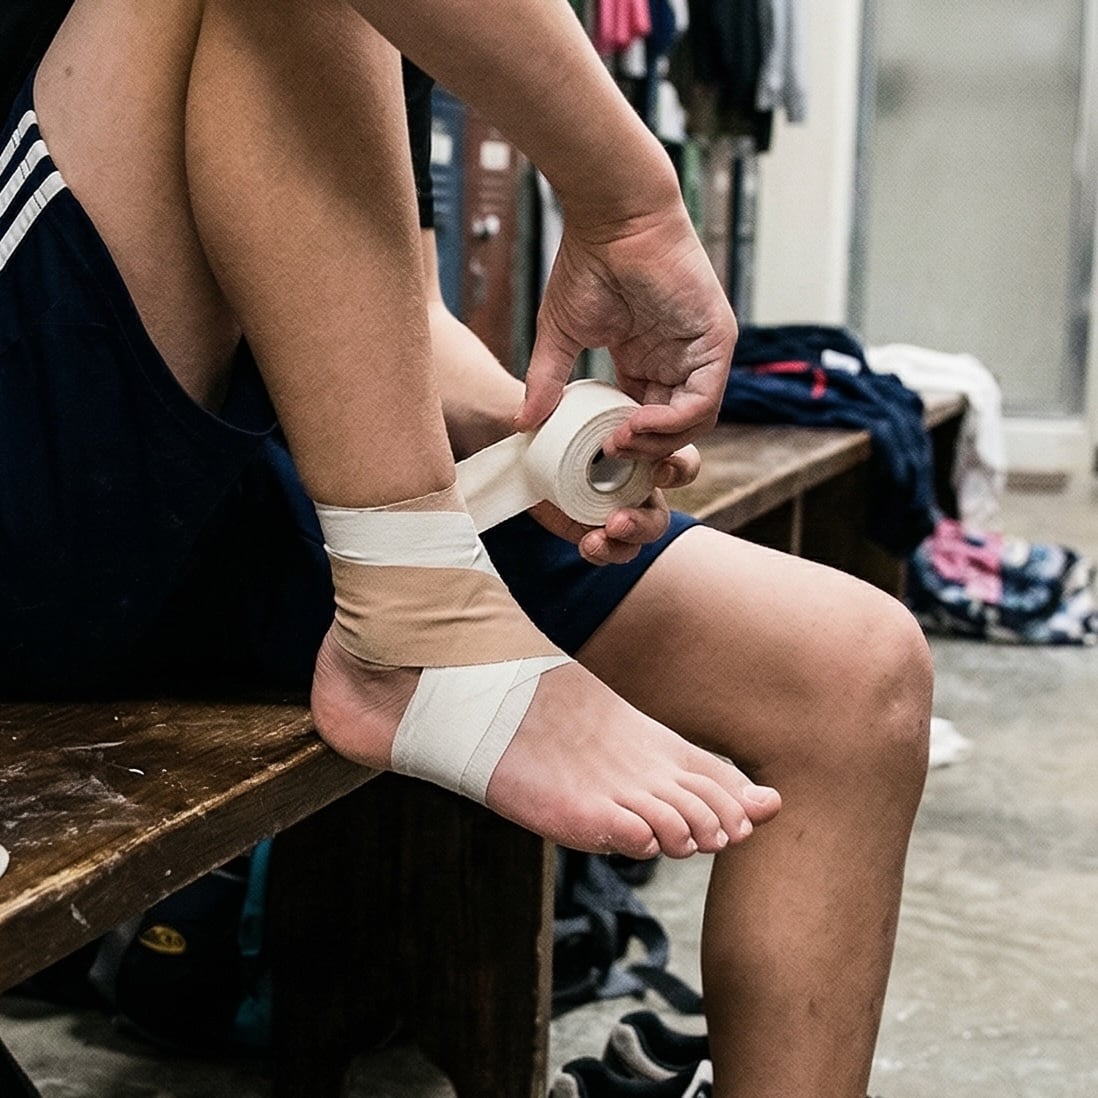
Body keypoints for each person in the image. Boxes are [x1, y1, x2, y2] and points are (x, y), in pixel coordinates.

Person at [0, 2, 933, 1095]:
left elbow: (328, 238)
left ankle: (415, 588)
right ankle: (417, 614)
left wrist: (517, 432)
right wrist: (631, 207)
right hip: (60, 478)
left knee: (855, 674)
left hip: (208, 466)